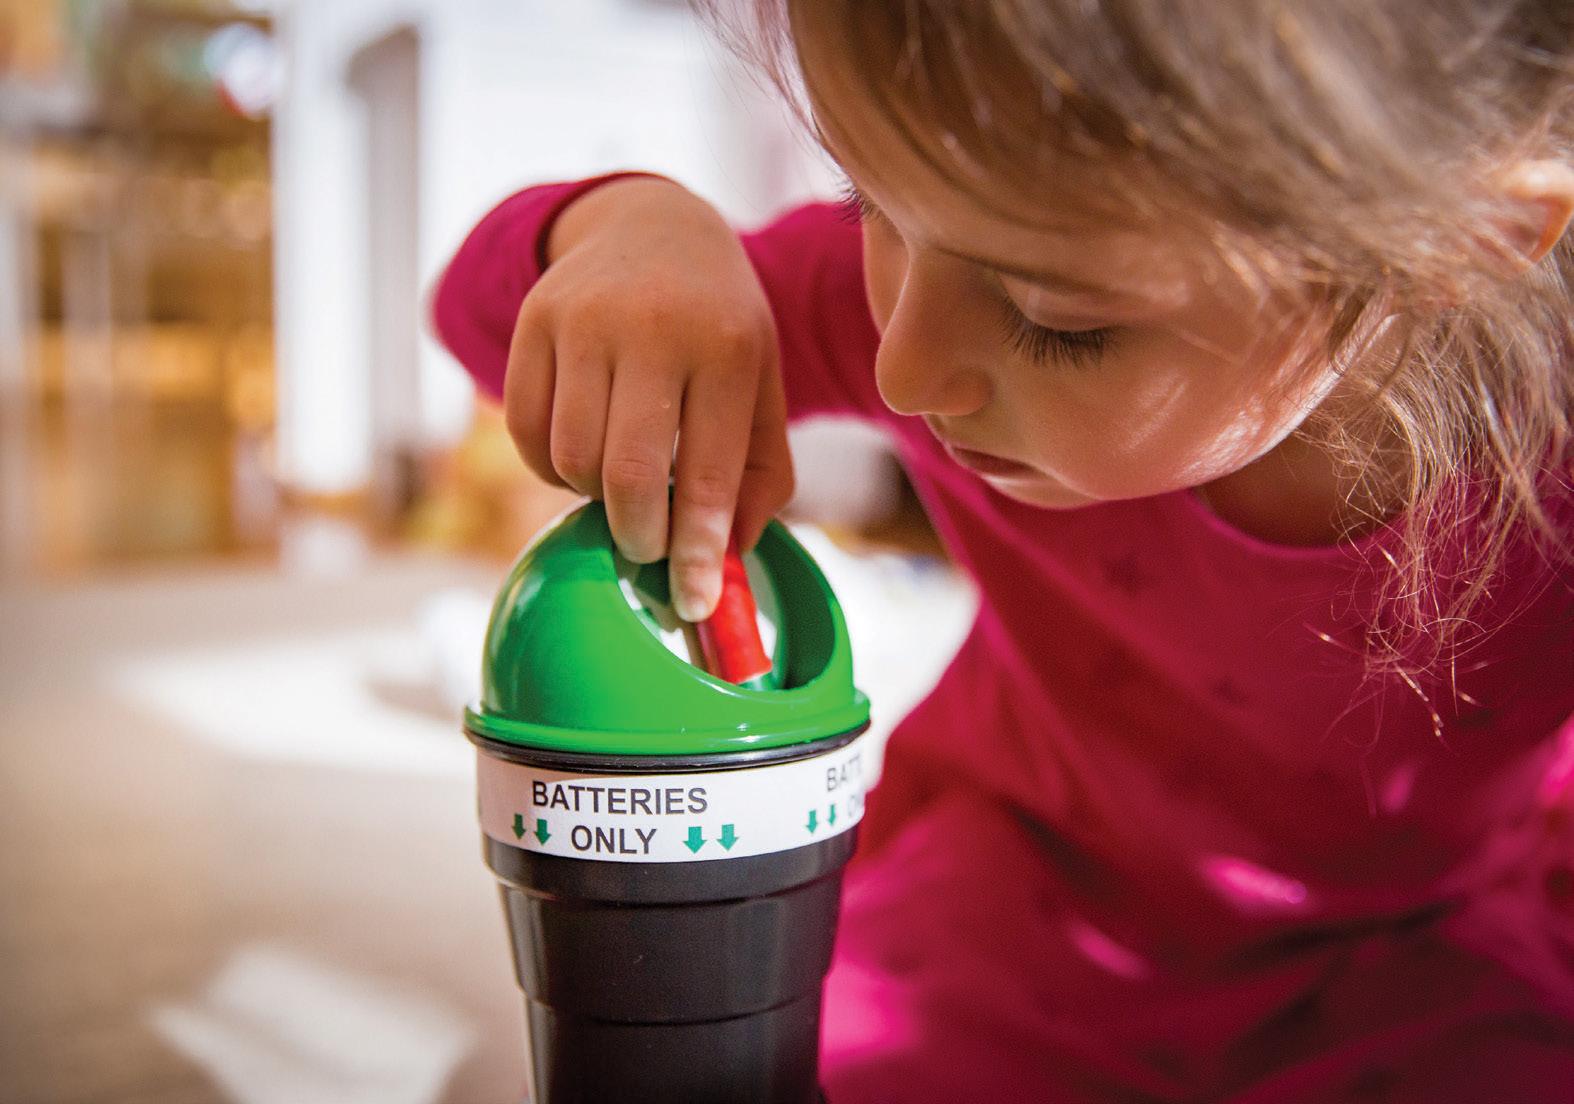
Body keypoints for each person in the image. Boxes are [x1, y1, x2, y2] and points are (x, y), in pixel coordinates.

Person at [432, 1, 1574, 1099]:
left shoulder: (1549, 459)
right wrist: (628, 231)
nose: (905, 370)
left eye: (1059, 319)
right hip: (1008, 901)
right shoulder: (957, 264)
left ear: (1457, 245)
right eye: (866, 204)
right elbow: (475, 314)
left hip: (1417, 952)